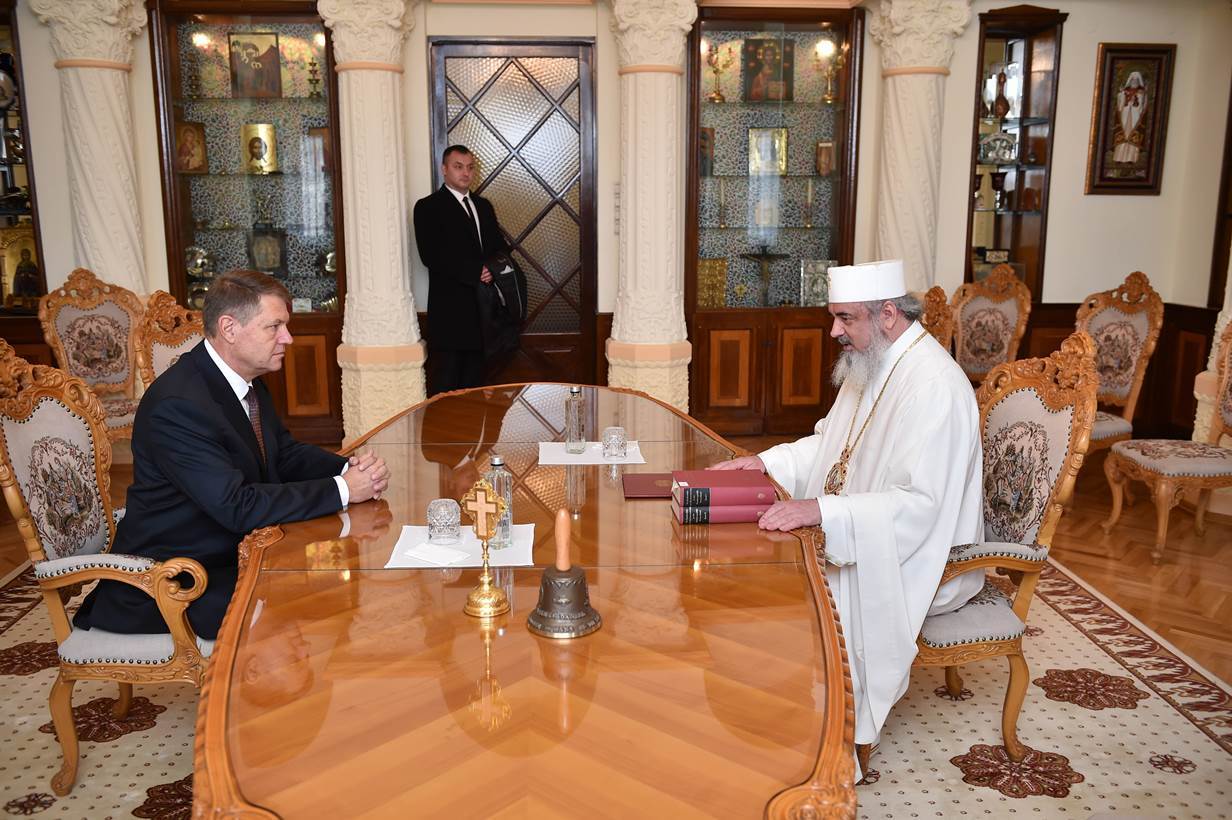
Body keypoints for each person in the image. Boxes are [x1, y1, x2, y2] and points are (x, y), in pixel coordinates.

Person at [710, 259, 984, 776]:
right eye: (834, 317)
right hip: (859, 530)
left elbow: (923, 507)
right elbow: (829, 446)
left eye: (845, 318)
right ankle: (773, 708)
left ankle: (814, 746)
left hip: (920, 557)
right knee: (759, 575)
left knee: (783, 592)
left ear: (887, 315)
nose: (834, 331)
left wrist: (824, 510)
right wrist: (766, 462)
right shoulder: (871, 360)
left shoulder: (935, 387)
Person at [74, 270, 390, 640]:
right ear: (229, 328)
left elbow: (283, 455)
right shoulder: (177, 405)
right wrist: (344, 489)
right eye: (274, 326)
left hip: (230, 553)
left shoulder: (244, 380)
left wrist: (349, 468)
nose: (288, 338)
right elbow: (237, 506)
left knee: (329, 589)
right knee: (309, 599)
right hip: (173, 582)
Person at [413, 144, 511, 395]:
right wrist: (476, 271)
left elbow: (499, 247)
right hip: (450, 315)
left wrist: (491, 268)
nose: (465, 173)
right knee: (446, 389)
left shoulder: (483, 205)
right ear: (444, 169)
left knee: (475, 390)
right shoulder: (427, 207)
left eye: (470, 167)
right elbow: (431, 255)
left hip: (484, 312)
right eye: (458, 167)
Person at [1113, 70, 1147, 165]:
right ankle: (1119, 157)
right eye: (1133, 80)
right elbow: (1120, 104)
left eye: (1136, 80)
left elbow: (1142, 106)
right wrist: (1122, 95)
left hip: (1134, 118)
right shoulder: (1125, 91)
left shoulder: (1141, 93)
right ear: (1130, 80)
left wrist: (1137, 99)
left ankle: (1131, 158)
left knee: (1133, 137)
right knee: (1123, 136)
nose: (1134, 82)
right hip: (1125, 117)